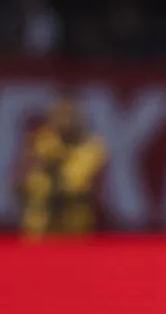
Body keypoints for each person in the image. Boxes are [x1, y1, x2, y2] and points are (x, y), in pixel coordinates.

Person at [16, 97, 107, 238]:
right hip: (37, 231)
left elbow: (88, 189)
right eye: (59, 116)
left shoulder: (91, 148)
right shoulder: (41, 141)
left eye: (69, 116)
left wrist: (54, 172)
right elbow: (19, 182)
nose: (64, 121)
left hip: (73, 231)